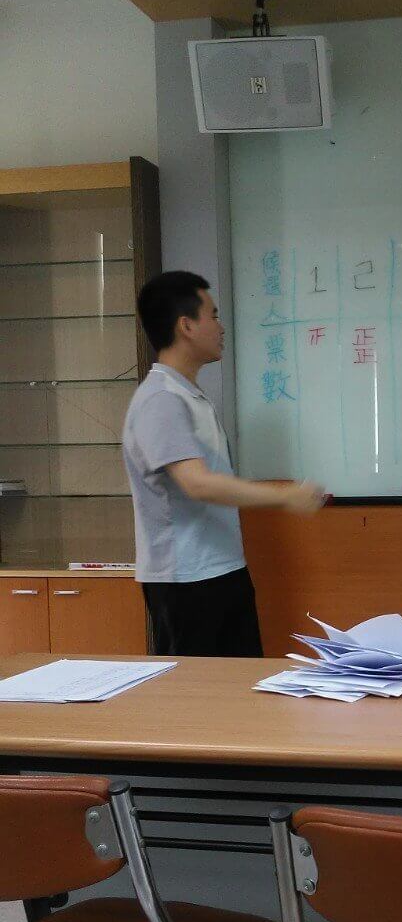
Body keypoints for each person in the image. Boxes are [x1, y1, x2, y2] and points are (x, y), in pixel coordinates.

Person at [123, 271, 325, 656]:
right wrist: (285, 496)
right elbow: (197, 483)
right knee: (198, 691)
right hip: (186, 580)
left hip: (222, 570)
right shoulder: (161, 399)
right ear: (186, 326)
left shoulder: (189, 396)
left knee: (239, 685)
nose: (221, 326)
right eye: (213, 315)